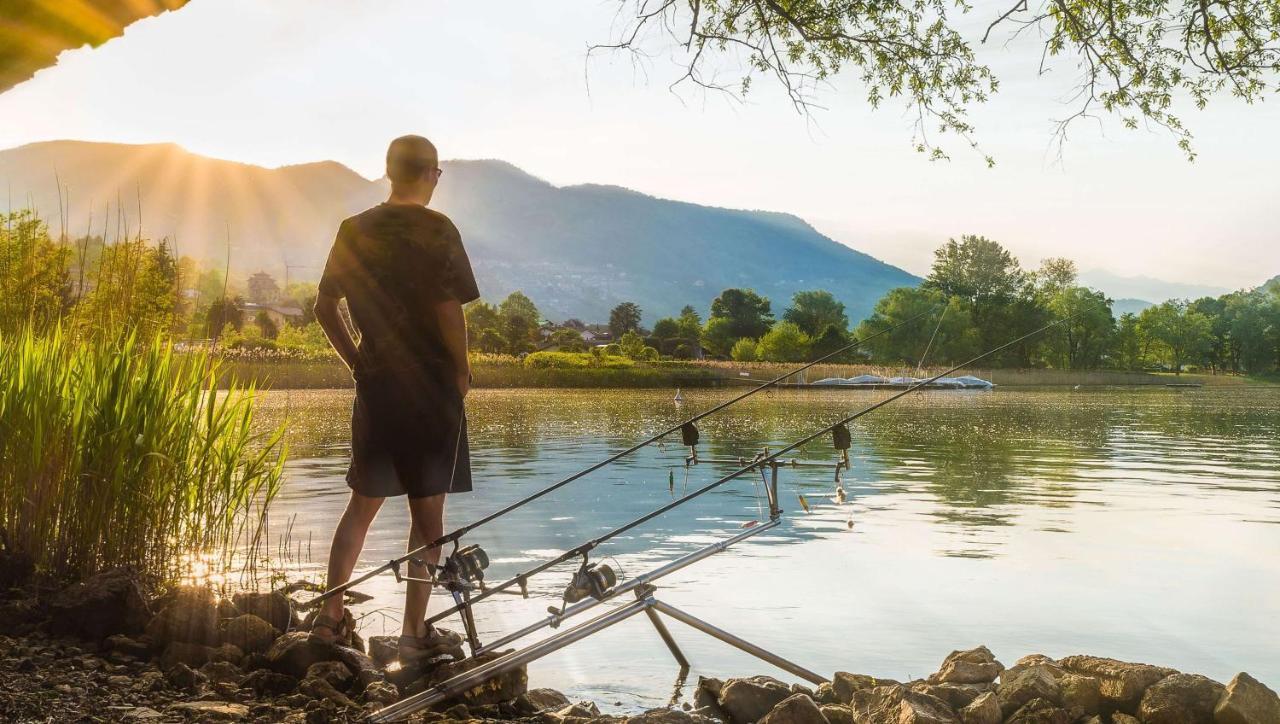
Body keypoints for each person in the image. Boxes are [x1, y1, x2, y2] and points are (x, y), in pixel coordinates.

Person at [311, 135, 479, 662]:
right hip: (430, 387)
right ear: (428, 173)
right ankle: (413, 633)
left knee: (361, 505)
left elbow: (323, 306)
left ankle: (329, 619)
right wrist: (463, 372)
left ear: (389, 172)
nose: (436, 182)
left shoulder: (354, 229)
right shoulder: (437, 230)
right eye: (437, 174)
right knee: (427, 519)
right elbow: (449, 308)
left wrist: (357, 361)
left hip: (378, 385)